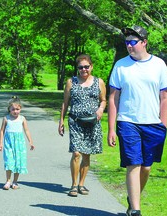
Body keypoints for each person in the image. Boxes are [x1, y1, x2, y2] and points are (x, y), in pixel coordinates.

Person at [107, 25, 167, 216]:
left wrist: (163, 126)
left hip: (152, 124)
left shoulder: (158, 64)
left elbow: (165, 97)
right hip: (128, 122)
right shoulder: (121, 65)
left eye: (133, 42)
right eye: (126, 42)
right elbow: (113, 98)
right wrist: (111, 128)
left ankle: (132, 198)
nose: (129, 46)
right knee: (133, 163)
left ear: (144, 42)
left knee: (146, 168)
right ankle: (136, 210)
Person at [58, 54, 106, 197]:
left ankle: (81, 184)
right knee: (76, 152)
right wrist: (61, 120)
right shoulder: (71, 82)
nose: (84, 69)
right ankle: (73, 185)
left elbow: (103, 100)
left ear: (91, 66)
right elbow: (65, 103)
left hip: (92, 122)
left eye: (86, 66)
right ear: (77, 69)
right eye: (81, 67)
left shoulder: (99, 82)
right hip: (75, 121)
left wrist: (101, 109)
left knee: (86, 154)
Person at [0, 96, 34, 190]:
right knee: (9, 162)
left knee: (18, 162)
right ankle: (8, 181)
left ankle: (15, 181)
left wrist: (30, 141)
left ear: (20, 109)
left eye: (17, 109)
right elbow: (2, 131)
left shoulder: (22, 119)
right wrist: (0, 143)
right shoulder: (6, 119)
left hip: (19, 145)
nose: (15, 111)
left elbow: (26, 130)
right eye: (13, 109)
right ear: (9, 109)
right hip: (8, 144)